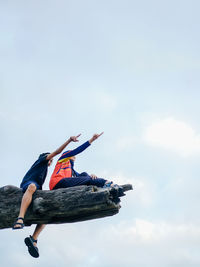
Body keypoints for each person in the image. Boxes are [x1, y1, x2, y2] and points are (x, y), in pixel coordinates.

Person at [12, 134, 81, 258]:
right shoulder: (41, 160)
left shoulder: (45, 169)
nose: (51, 161)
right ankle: (20, 218)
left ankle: (34, 239)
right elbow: (57, 151)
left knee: (47, 208)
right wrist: (69, 140)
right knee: (32, 187)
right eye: (51, 160)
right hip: (28, 184)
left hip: (36, 188)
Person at [49, 132, 120, 190]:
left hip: (62, 185)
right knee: (88, 179)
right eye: (72, 155)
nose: (74, 157)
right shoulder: (63, 159)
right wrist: (92, 140)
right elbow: (78, 150)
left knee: (85, 175)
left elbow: (82, 177)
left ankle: (102, 185)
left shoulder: (72, 171)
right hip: (58, 182)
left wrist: (92, 176)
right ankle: (108, 183)